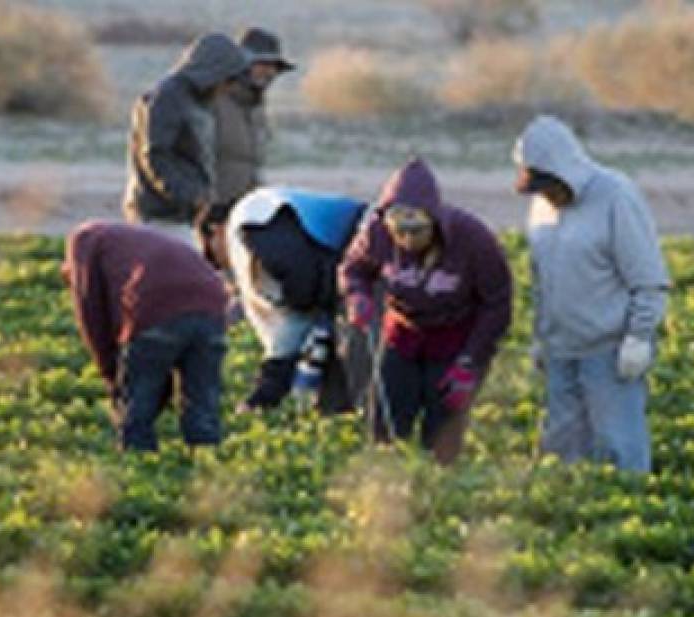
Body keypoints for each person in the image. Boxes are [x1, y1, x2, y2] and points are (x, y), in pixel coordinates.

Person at [512, 115, 669, 474]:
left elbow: (648, 277)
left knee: (620, 446)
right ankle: (575, 519)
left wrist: (639, 338)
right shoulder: (540, 207)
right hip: (560, 348)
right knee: (562, 450)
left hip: (609, 350)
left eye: (549, 185)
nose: (545, 194)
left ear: (565, 171)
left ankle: (627, 517)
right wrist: (541, 337)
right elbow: (541, 278)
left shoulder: (616, 196)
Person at [339, 157, 513, 464]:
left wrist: (470, 363)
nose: (407, 239)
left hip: (455, 341)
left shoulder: (473, 240)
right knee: (386, 427)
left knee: (441, 438)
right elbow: (354, 269)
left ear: (433, 220)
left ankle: (439, 495)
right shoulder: (376, 234)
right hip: (402, 338)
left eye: (416, 228)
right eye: (398, 229)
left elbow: (497, 304)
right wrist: (358, 296)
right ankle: (388, 491)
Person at [63, 221, 229, 452]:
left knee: (138, 405)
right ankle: (207, 461)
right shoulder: (131, 241)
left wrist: (111, 374)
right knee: (202, 398)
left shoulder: (83, 241)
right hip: (212, 301)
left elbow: (92, 315)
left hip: (157, 304)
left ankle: (139, 459)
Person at [197, 189, 367, 412]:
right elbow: (288, 332)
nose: (220, 266)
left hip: (365, 256)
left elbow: (299, 278)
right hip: (348, 273)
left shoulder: (251, 219)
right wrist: (261, 397)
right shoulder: (260, 228)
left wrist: (302, 302)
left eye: (211, 256)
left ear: (216, 230)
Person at [123, 33, 251, 242]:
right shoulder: (168, 97)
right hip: (160, 216)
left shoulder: (197, 99)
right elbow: (156, 156)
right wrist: (192, 198)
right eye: (227, 79)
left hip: (181, 216)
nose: (227, 87)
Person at [213, 28, 294, 209]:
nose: (270, 72)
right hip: (208, 214)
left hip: (240, 210)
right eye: (262, 64)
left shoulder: (255, 107)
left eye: (274, 66)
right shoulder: (213, 102)